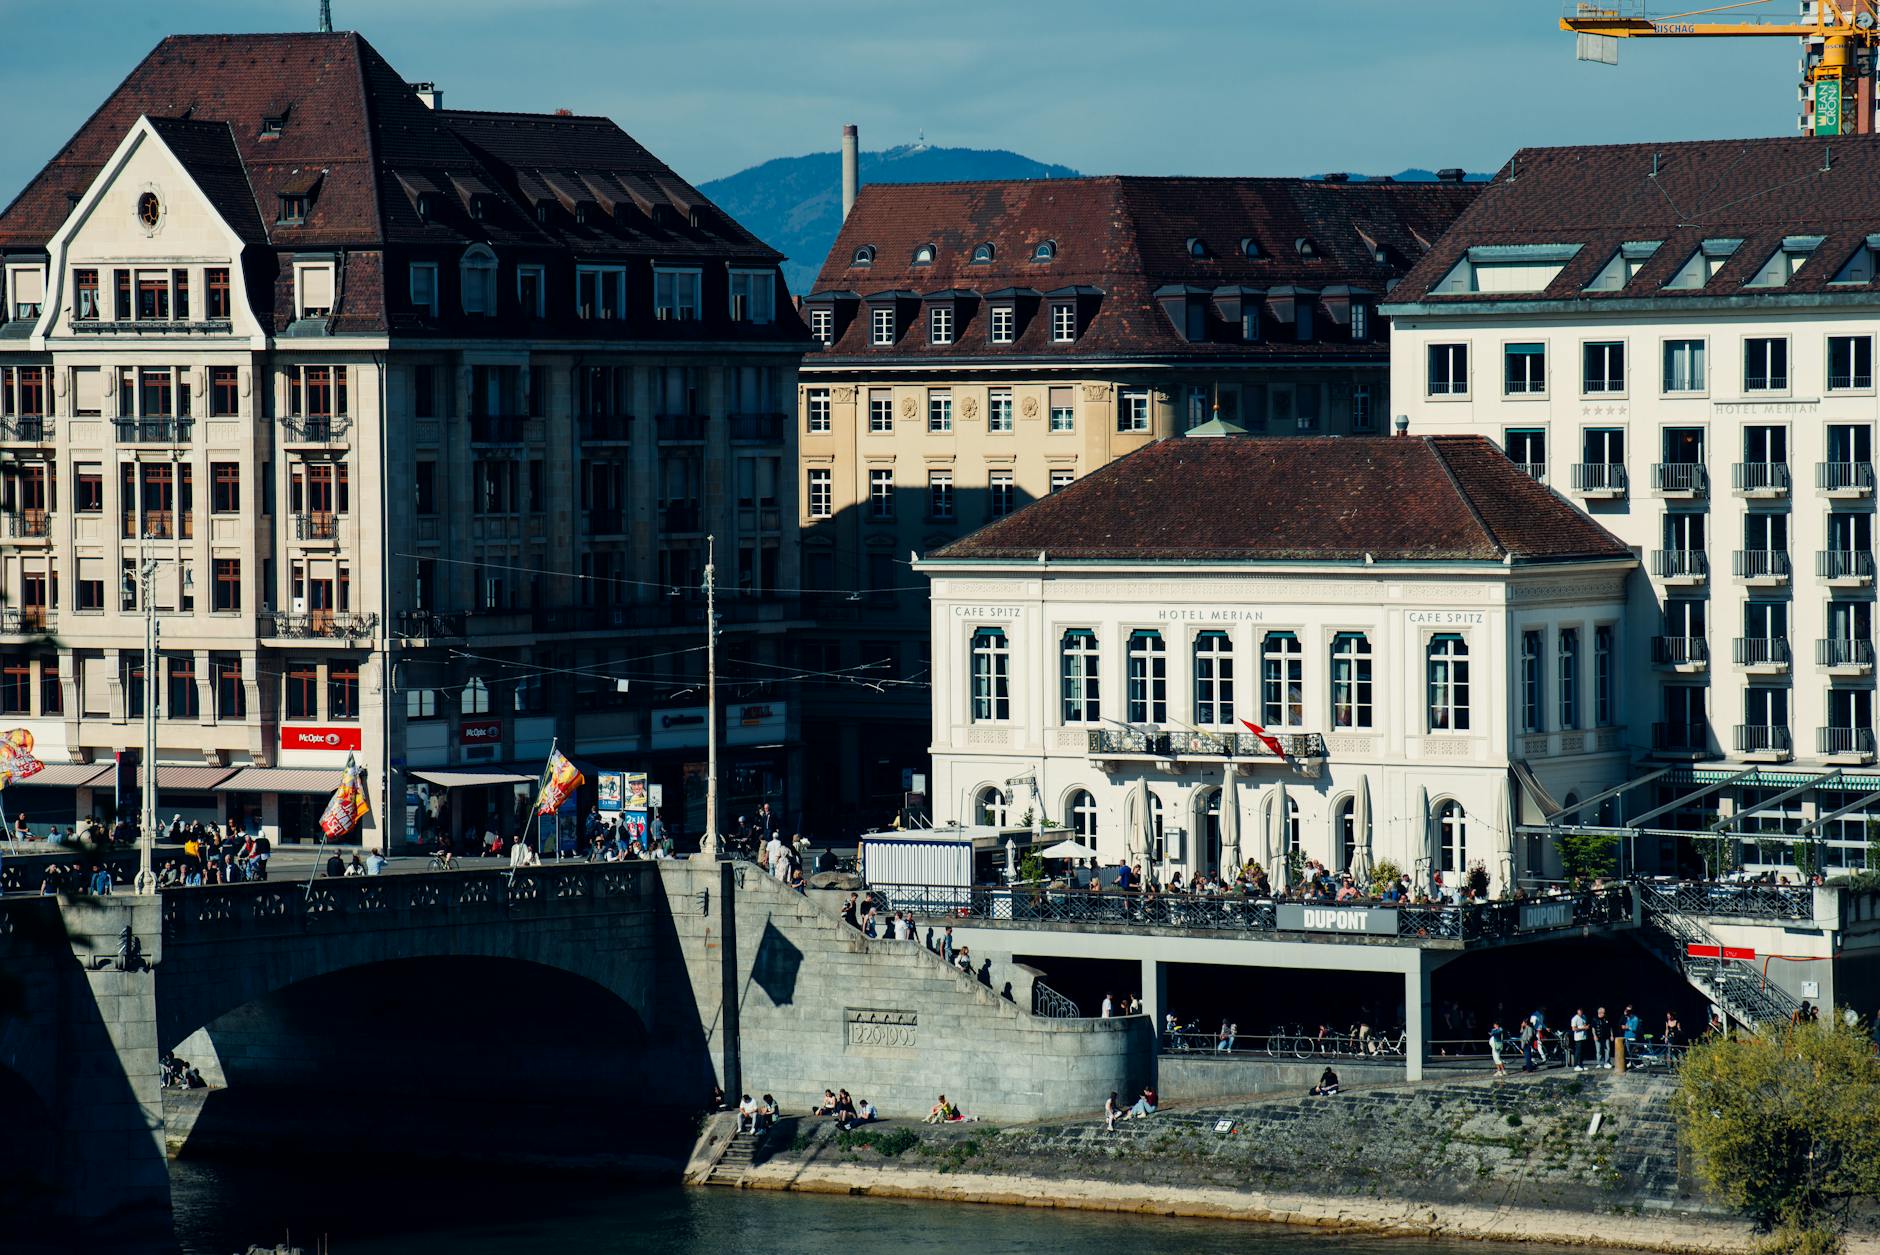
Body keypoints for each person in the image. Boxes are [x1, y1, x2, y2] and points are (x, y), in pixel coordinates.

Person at [1570, 1008, 1590, 1072]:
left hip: (1584, 1036)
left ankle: (1581, 1064)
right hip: (1578, 1037)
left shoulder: (1584, 1016)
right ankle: (1576, 1065)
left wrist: (1586, 1027)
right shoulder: (1575, 1018)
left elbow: (1584, 1024)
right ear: (1577, 1012)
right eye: (1579, 1013)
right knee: (1578, 1051)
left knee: (1582, 1052)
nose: (1580, 1014)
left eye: (1581, 1012)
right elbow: (1573, 1029)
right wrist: (1583, 1028)